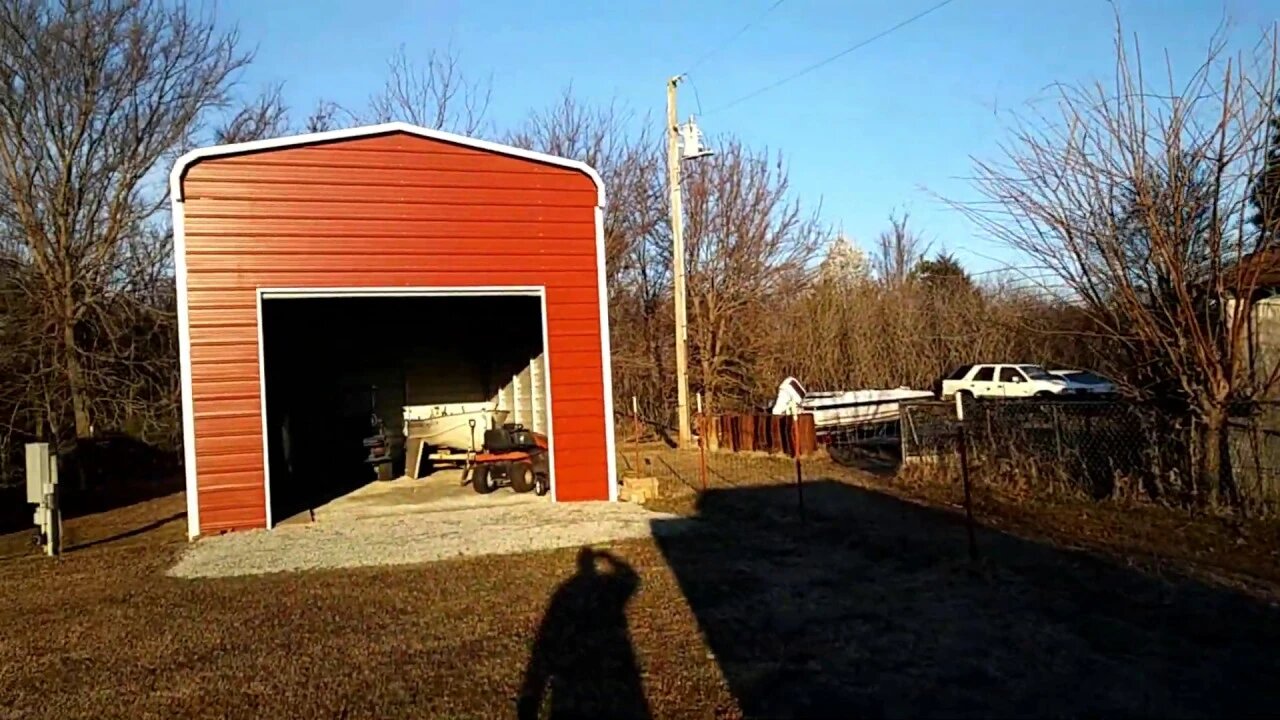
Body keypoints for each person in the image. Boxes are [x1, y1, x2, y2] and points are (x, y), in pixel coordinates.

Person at [518, 547, 650, 720]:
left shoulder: (566, 593)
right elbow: (631, 579)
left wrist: (532, 694)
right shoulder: (605, 589)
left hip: (571, 692)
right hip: (610, 687)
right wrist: (609, 558)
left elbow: (546, 641)